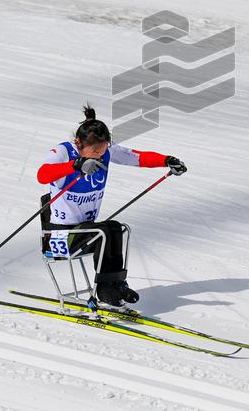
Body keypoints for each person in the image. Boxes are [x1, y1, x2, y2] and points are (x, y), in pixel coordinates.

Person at [35, 105, 187, 305]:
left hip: (84, 231)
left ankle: (116, 285)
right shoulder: (64, 152)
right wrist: (76, 165)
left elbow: (137, 158)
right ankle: (105, 290)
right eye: (95, 151)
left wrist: (166, 160)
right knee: (104, 232)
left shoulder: (105, 150)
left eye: (104, 149)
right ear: (78, 143)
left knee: (115, 228)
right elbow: (42, 175)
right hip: (59, 237)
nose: (100, 155)